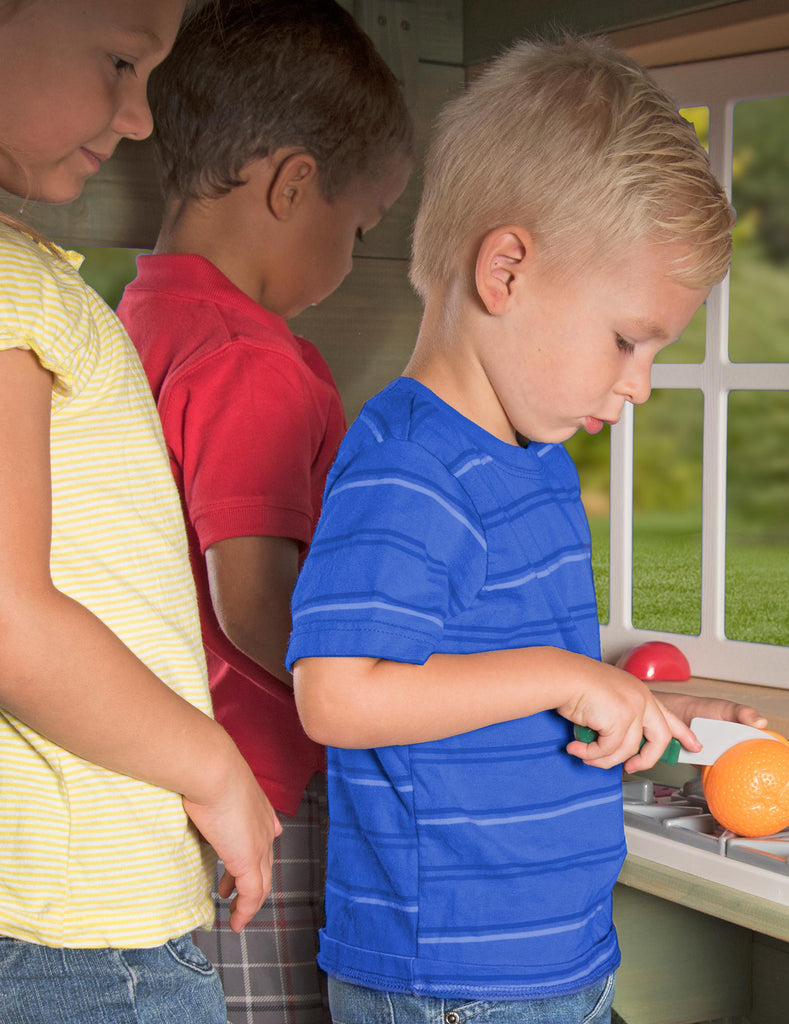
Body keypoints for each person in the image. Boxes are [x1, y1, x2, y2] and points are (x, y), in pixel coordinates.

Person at [285, 34, 763, 1024]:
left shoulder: (534, 464)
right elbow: (336, 693)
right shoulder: (409, 467)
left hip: (555, 963)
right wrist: (569, 673)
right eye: (628, 339)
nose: (639, 382)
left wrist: (634, 701)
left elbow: (507, 679)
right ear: (505, 268)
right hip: (451, 987)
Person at [115, 2, 413, 1021]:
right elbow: (254, 605)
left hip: (167, 789)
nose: (350, 260)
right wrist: (395, 694)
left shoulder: (138, 317)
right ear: (293, 185)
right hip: (266, 789)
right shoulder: (248, 359)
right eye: (360, 226)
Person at [0, 2, 280, 1023]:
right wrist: (218, 769)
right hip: (79, 944)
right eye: (120, 60)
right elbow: (8, 622)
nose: (139, 116)